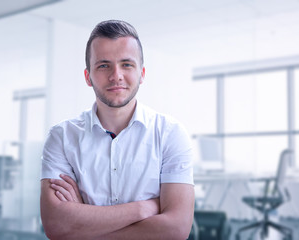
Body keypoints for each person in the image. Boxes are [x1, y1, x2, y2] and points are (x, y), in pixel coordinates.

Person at [40, 20, 194, 240]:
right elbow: (56, 226)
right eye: (103, 65)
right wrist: (144, 209)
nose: (116, 76)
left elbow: (176, 230)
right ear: (88, 76)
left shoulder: (170, 134)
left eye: (126, 65)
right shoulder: (62, 137)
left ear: (141, 73)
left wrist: (83, 224)